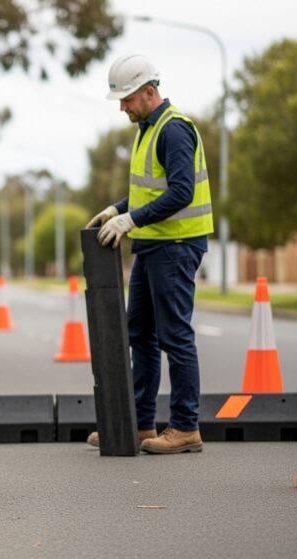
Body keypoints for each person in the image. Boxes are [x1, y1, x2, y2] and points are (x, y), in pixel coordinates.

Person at [86, 54, 214, 454]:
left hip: (175, 246)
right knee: (139, 333)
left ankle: (185, 428)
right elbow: (150, 190)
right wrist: (117, 209)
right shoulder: (148, 128)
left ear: (148, 91)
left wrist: (130, 220)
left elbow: (181, 192)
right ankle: (141, 423)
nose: (122, 106)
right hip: (152, 246)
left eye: (126, 98)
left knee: (174, 336)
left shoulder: (174, 130)